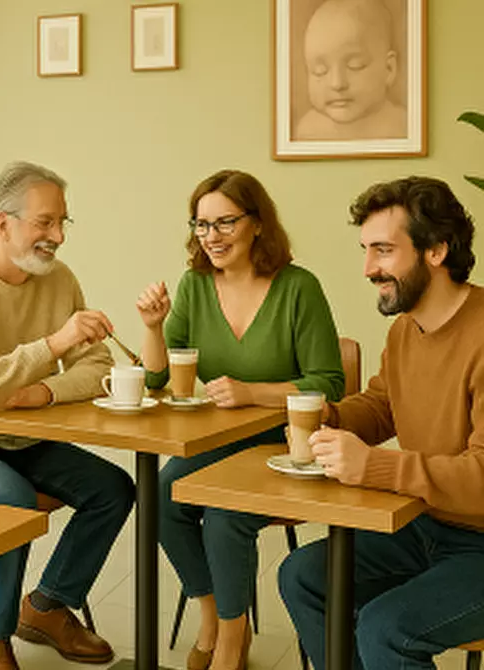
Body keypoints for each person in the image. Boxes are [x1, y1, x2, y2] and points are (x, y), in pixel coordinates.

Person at [137, 169, 344, 670]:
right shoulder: (194, 284)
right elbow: (158, 381)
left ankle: (232, 642)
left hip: (287, 441)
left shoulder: (299, 288)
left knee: (226, 512)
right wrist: (153, 327)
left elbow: (329, 383)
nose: (211, 237)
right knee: (161, 496)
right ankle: (215, 615)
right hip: (221, 436)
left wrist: (254, 392)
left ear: (257, 223)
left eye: (225, 222)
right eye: (202, 225)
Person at [0, 161, 135, 669]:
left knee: (114, 490)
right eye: (45, 222)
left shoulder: (59, 279)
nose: (58, 235)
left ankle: (45, 606)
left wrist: (42, 392)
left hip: (28, 438)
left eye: (63, 222)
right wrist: (52, 345)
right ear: (4, 223)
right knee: (16, 506)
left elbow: (97, 366)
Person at [279, 176, 484, 669]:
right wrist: (327, 418)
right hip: (425, 523)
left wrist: (376, 467)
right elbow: (381, 407)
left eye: (384, 250)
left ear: (436, 250)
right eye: (365, 250)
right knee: (303, 576)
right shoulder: (405, 331)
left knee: (385, 627)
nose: (368, 268)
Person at [294, 0, 407, 141]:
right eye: (320, 71)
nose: (337, 83)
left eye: (355, 65)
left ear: (389, 69)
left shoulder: (401, 126)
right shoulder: (306, 130)